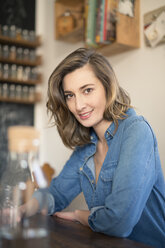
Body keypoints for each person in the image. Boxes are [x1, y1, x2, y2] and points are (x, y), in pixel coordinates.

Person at [23, 48, 165, 248]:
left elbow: (119, 222)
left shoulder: (136, 131)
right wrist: (23, 209)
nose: (78, 105)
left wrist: (79, 216)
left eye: (87, 90)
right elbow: (56, 194)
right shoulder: (87, 145)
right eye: (70, 95)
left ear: (108, 86)